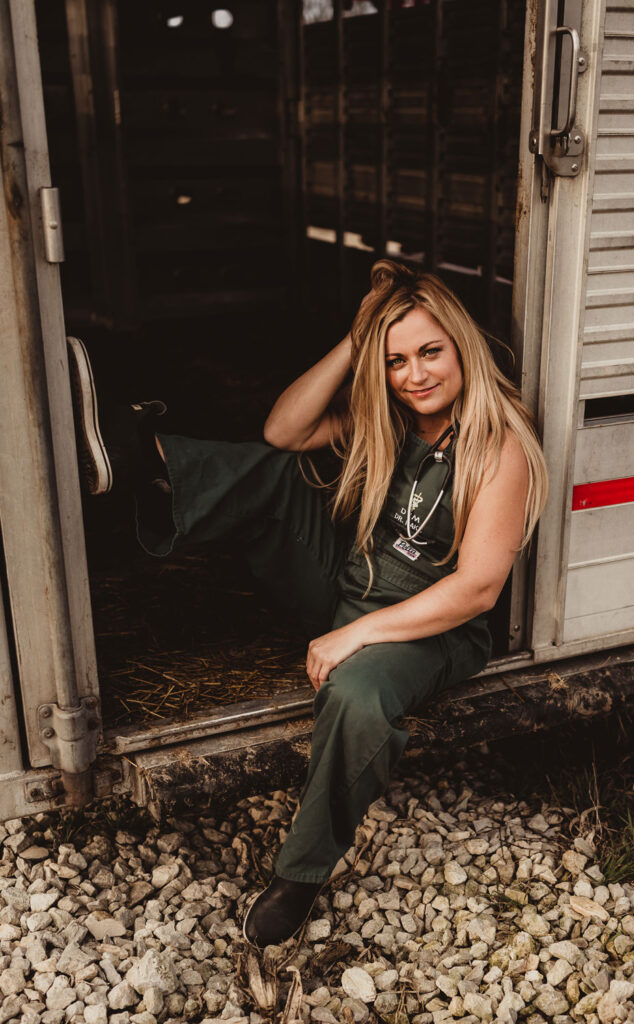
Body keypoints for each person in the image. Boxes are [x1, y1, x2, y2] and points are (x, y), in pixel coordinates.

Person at [67, 259, 547, 949]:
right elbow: (283, 430)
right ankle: (141, 458)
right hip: (349, 587)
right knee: (277, 470)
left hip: (434, 625)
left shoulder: (500, 444)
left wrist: (353, 638)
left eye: (430, 353)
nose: (415, 375)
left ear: (461, 346)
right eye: (396, 360)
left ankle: (301, 873)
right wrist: (359, 336)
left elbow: (477, 589)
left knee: (355, 697)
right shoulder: (388, 418)